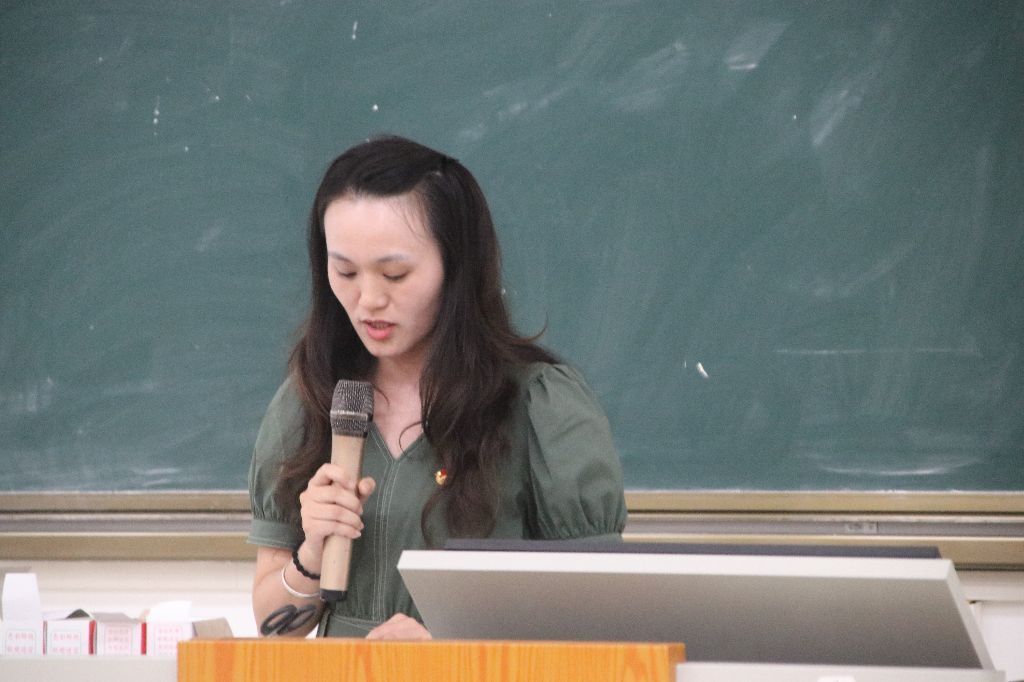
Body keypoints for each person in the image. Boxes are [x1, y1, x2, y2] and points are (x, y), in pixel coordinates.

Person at [248, 135, 627, 639]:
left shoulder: (542, 407)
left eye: (395, 274)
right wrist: (313, 553)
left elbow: (597, 623)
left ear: (456, 268)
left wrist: (449, 653)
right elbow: (274, 630)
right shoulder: (312, 399)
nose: (368, 299)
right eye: (345, 272)